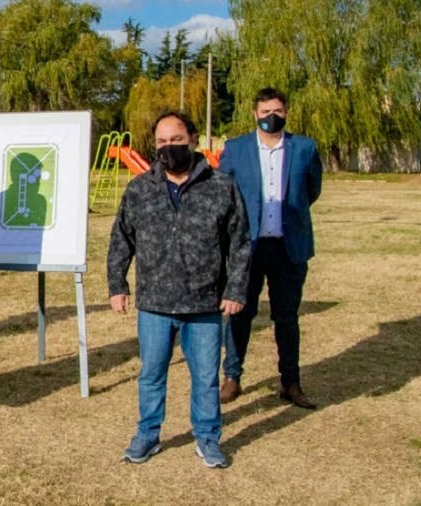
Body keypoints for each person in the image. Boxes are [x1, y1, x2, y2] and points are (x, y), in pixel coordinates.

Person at [107, 112, 250, 468]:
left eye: (176, 140)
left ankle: (207, 438)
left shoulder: (221, 186)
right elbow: (121, 238)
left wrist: (235, 289)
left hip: (203, 303)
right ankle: (147, 435)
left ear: (193, 140)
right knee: (152, 374)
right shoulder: (140, 189)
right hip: (154, 303)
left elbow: (241, 242)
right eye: (160, 142)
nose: (168, 148)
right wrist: (117, 284)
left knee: (205, 377)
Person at [219, 88, 323, 409]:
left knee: (287, 318)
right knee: (239, 314)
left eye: (276, 110)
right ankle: (232, 378)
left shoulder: (305, 148)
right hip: (246, 250)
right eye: (265, 111)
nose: (271, 116)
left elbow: (312, 190)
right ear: (255, 114)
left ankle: (290, 382)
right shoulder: (235, 149)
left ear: (286, 112)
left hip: (288, 248)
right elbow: (224, 194)